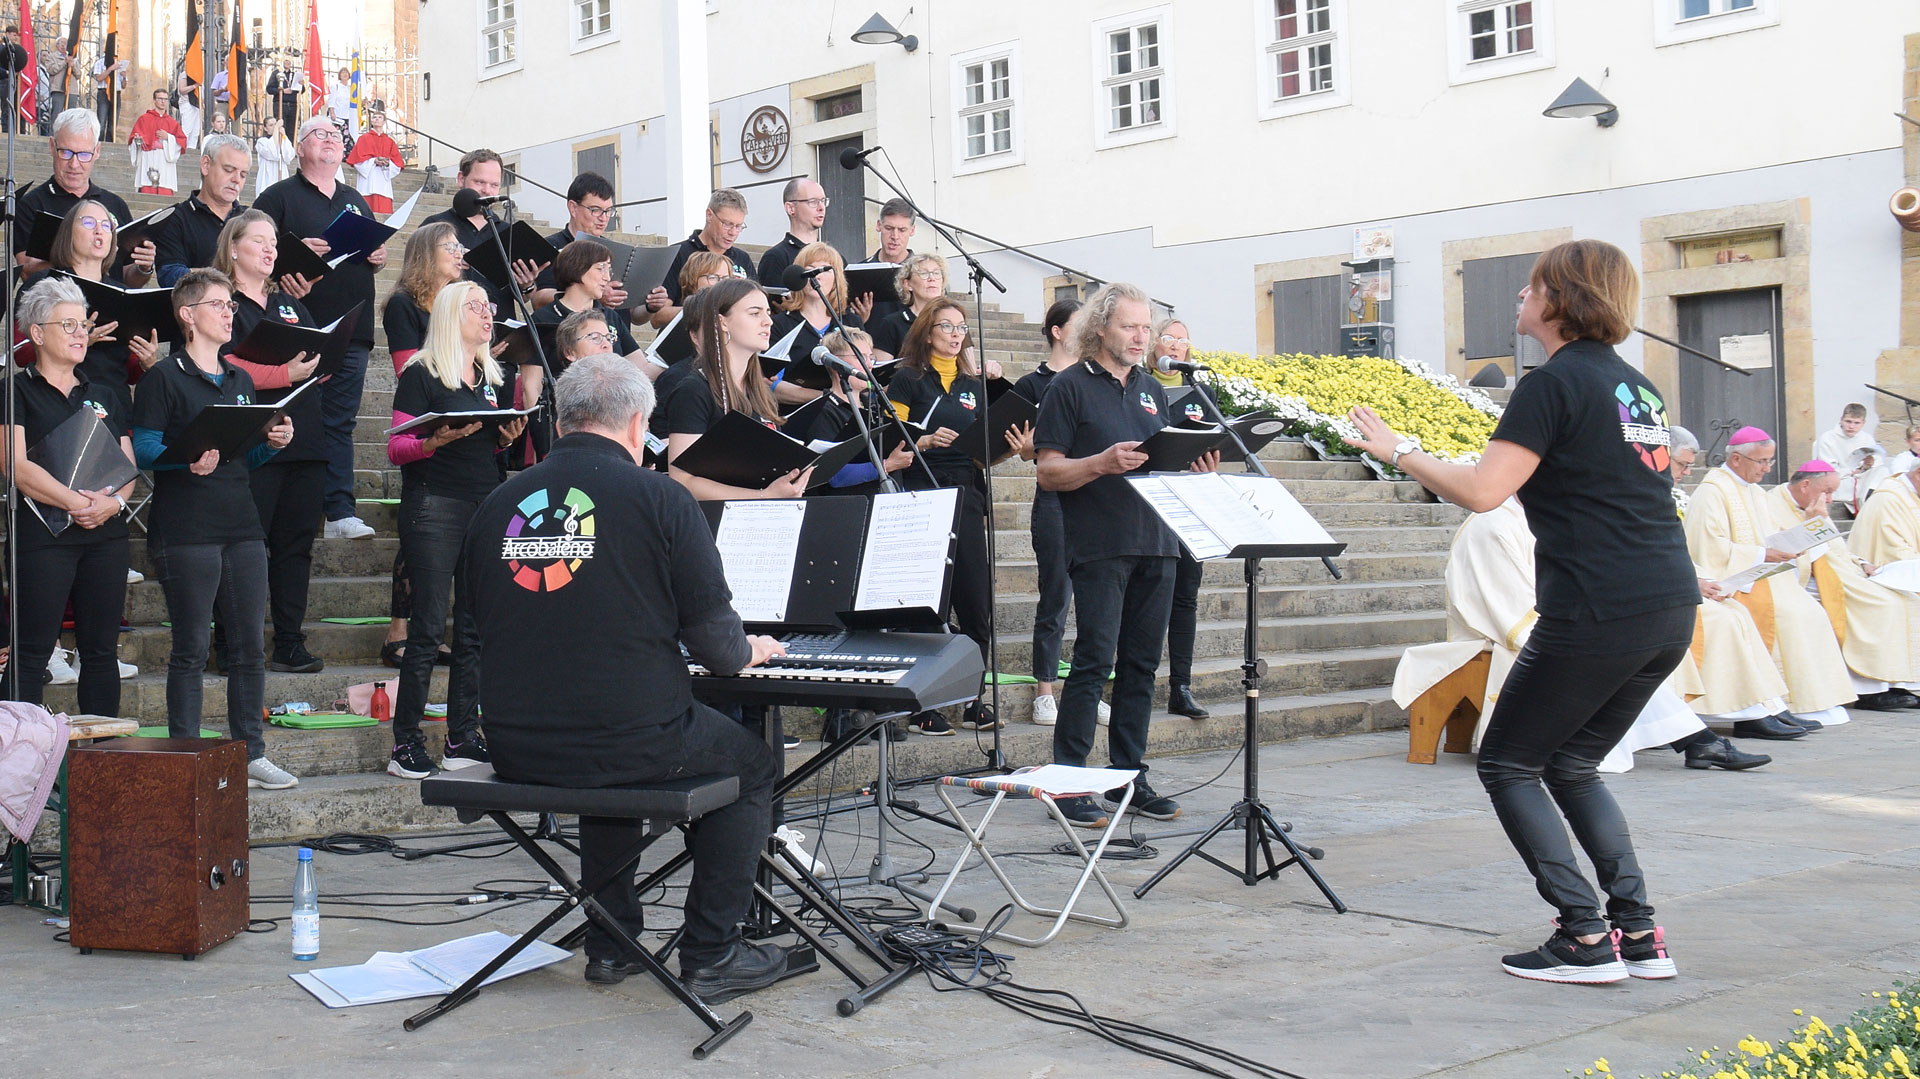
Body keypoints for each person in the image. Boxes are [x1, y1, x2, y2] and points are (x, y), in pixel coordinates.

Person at [1343, 239, 1698, 984]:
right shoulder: (1638, 388)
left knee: (1508, 760)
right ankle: (1638, 933)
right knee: (1571, 760)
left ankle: (1582, 935)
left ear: (1560, 298)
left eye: (1530, 287)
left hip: (1597, 605)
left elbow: (1482, 490)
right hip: (1667, 601)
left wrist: (1397, 448)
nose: (1519, 299)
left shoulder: (1551, 383)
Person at [464, 353, 791, 1002]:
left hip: (514, 741)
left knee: (609, 756)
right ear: (639, 423)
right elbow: (721, 652)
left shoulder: (498, 502)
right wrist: (752, 647)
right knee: (752, 764)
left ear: (558, 419)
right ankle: (712, 952)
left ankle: (612, 944)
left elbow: (479, 627)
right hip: (631, 736)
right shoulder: (660, 496)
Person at [1388, 497, 1763, 773]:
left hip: (1554, 623)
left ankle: (1698, 742)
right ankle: (1699, 743)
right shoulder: (1493, 526)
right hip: (1501, 637)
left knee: (1629, 649)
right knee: (1609, 660)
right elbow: (1506, 603)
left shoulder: (1536, 515)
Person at [1034, 284, 1217, 826]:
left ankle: (1128, 776)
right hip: (1099, 544)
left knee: (1142, 664)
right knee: (1094, 660)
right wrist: (1100, 463)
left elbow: (1156, 462)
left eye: (1147, 328)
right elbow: (1047, 471)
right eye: (1130, 327)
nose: (1142, 338)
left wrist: (1192, 468)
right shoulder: (1068, 387)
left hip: (1157, 540)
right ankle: (1068, 781)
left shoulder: (1152, 391)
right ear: (1100, 330)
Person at [131, 268, 298, 791]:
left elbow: (241, 457)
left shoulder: (241, 380)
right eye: (218, 304)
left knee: (249, 644)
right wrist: (186, 462)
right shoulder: (163, 376)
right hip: (186, 528)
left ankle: (250, 751)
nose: (229, 312)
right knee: (190, 647)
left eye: (231, 305)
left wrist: (269, 444)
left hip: (240, 522)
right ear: (188, 314)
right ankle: (187, 753)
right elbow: (144, 448)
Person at [383, 280, 525, 780]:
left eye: (489, 308)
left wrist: (505, 438)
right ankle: (406, 743)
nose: (487, 316)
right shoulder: (422, 372)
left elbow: (485, 445)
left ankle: (463, 735)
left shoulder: (492, 375)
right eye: (475, 308)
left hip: (484, 501)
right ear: (449, 314)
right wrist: (434, 440)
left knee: (472, 629)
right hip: (434, 503)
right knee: (426, 628)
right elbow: (397, 448)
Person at [2, 278, 138, 715]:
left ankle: (99, 764)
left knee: (101, 652)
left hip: (106, 538)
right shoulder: (14, 391)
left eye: (83, 324)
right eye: (69, 324)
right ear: (37, 333)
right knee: (31, 649)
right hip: (43, 539)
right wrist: (80, 504)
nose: (81, 333)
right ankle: (20, 760)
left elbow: (126, 467)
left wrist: (111, 504)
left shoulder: (105, 393)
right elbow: (16, 467)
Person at [886, 300, 1019, 736]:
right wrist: (923, 440)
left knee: (975, 602)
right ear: (927, 332)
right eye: (947, 325)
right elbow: (892, 441)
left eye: (962, 327)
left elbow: (984, 448)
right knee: (930, 603)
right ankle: (925, 705)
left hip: (967, 492)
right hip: (922, 493)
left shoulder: (974, 385)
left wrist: (1004, 449)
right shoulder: (907, 379)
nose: (956, 333)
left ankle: (972, 699)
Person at [254, 114, 389, 541]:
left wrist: (378, 255)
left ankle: (338, 512)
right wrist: (290, 254)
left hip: (353, 326)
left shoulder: (355, 198)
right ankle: (291, 511)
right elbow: (251, 251)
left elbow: (374, 248)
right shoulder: (277, 197)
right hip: (296, 326)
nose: (330, 139)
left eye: (336, 134)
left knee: (340, 421)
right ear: (300, 147)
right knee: (293, 416)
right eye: (320, 134)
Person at [212, 210, 329, 675]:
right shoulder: (222, 304)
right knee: (242, 546)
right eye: (259, 241)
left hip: (305, 438)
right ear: (234, 247)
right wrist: (283, 373)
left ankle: (289, 641)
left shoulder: (289, 305)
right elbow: (222, 364)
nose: (269, 250)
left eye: (274, 243)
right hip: (251, 443)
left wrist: (324, 358)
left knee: (295, 547)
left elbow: (318, 356)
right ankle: (230, 644)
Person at [1684, 426, 1854, 729]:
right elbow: (1706, 547)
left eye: (1770, 462)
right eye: (1761, 462)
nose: (1766, 469)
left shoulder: (1754, 492)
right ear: (1736, 459)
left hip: (1758, 576)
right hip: (1731, 581)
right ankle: (1768, 704)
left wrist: (1801, 535)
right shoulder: (1712, 491)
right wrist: (1762, 555)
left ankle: (1793, 703)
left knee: (1811, 611)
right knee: (1792, 615)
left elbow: (1769, 537)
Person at [1010, 300, 1110, 728]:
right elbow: (1025, 447)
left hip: (1095, 495)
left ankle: (1090, 689)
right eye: (1077, 324)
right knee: (1056, 594)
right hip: (1054, 496)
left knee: (1099, 602)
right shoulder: (1033, 384)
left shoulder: (1093, 380)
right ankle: (1045, 690)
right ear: (1056, 331)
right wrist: (1033, 447)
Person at [376, 221, 467, 668]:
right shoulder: (402, 305)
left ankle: (432, 630)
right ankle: (398, 629)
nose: (459, 252)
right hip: (424, 420)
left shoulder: (458, 303)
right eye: (450, 246)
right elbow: (405, 368)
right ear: (426, 254)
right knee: (419, 536)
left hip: (460, 422)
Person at [660, 278, 812, 502]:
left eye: (768, 312)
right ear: (722, 322)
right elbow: (682, 480)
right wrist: (762, 495)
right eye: (754, 313)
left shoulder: (759, 390)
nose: (768, 321)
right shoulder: (694, 390)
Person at [21, 200, 164, 414]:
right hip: (57, 401)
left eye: (106, 226)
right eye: (88, 223)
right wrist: (79, 340)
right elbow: (21, 352)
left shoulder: (123, 293)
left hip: (115, 406)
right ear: (68, 232)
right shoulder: (45, 284)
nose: (99, 230)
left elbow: (130, 371)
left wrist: (147, 360)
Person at [522, 240, 642, 456]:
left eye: (609, 269)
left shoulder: (611, 317)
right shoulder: (542, 319)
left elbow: (639, 368)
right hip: (564, 423)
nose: (608, 276)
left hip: (612, 421)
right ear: (577, 268)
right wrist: (542, 438)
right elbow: (531, 386)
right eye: (600, 268)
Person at [17, 109, 154, 284]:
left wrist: (144, 268)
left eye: (84, 155)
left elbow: (128, 278)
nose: (74, 164)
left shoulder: (115, 205)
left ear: (97, 151)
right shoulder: (31, 205)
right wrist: (80, 254)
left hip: (109, 306)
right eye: (65, 152)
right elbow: (26, 271)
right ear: (52, 146)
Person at [1150, 316, 1209, 719]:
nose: (1174, 346)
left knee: (1185, 598)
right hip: (1150, 502)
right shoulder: (1137, 386)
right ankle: (1134, 677)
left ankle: (1181, 687)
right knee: (1147, 597)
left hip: (1191, 501)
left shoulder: (1200, 392)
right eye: (1167, 338)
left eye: (1181, 341)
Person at [420, 148, 542, 311]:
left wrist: (526, 284)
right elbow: (417, 279)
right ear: (461, 179)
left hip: (499, 328)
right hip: (451, 321)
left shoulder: (509, 233)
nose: (487, 190)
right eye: (479, 182)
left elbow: (525, 297)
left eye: (494, 185)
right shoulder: (435, 225)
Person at [646, 188, 754, 329]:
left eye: (739, 226)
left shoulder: (742, 258)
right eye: (727, 224)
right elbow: (657, 317)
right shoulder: (678, 253)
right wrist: (704, 309)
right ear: (709, 215)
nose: (733, 232)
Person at [154, 132, 250, 287]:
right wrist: (226, 276)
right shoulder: (175, 218)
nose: (236, 179)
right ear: (206, 165)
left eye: (243, 174)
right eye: (228, 169)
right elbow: (170, 276)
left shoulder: (251, 220)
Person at [529, 171, 623, 309]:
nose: (603, 218)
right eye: (595, 210)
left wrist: (649, 307)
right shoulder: (550, 246)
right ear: (573, 208)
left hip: (616, 327)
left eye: (608, 210)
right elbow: (539, 299)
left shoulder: (613, 251)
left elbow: (635, 316)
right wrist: (593, 293)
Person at [770, 241, 861, 367]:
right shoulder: (779, 325)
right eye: (810, 270)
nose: (817, 276)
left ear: (836, 279)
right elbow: (771, 380)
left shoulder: (851, 322)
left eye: (825, 269)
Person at [868, 252, 948, 359]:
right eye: (924, 274)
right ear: (908, 284)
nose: (932, 278)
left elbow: (968, 367)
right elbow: (881, 372)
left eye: (937, 273)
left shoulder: (953, 319)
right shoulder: (892, 324)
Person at [755, 177, 829, 290]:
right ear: (790, 208)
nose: (821, 208)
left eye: (823, 201)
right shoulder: (776, 257)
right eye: (813, 202)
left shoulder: (832, 255)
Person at [1811, 402, 1878, 509]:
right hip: (1840, 480)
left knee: (1882, 473)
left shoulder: (1867, 439)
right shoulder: (1828, 438)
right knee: (1856, 488)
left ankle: (1870, 502)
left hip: (1862, 478)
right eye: (1848, 421)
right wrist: (1850, 472)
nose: (1851, 426)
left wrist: (1869, 465)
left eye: (1857, 423)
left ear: (1863, 423)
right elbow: (1827, 469)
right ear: (1841, 419)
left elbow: (1876, 464)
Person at [865, 198, 917, 327]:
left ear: (912, 230)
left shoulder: (924, 273)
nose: (895, 236)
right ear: (879, 226)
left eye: (902, 230)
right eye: (889, 228)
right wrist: (858, 319)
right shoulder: (861, 270)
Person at [127, 88, 187, 195]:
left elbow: (181, 142)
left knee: (165, 191)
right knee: (147, 189)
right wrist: (137, 140)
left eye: (165, 99)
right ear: (154, 100)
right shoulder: (144, 119)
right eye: (160, 98)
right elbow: (134, 140)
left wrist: (168, 137)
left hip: (164, 160)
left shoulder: (172, 123)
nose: (163, 102)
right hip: (148, 158)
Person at [345, 106, 401, 214]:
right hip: (368, 177)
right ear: (371, 120)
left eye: (380, 117)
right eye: (374, 117)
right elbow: (357, 160)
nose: (376, 119)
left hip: (383, 177)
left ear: (384, 121)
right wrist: (373, 161)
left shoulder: (390, 141)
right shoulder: (363, 139)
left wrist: (387, 163)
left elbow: (397, 163)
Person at [254, 115, 295, 196]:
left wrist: (284, 136)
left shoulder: (283, 140)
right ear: (265, 128)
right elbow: (273, 153)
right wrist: (276, 129)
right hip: (268, 177)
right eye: (271, 125)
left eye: (275, 124)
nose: (274, 127)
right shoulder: (262, 142)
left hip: (281, 174)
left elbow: (289, 156)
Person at [90, 51, 126, 140]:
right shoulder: (100, 62)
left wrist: (124, 77)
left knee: (113, 123)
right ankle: (99, 142)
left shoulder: (120, 64)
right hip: (104, 92)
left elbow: (124, 85)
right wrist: (110, 69)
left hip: (116, 93)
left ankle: (110, 143)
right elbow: (98, 78)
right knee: (101, 122)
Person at [0, 25, 28, 134]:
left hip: (13, 81)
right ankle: (6, 131)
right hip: (3, 81)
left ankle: (16, 130)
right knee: (6, 107)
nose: (16, 38)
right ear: (7, 34)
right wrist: (7, 72)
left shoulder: (15, 50)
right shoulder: (2, 48)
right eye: (14, 35)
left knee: (13, 106)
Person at [176, 70, 201, 150]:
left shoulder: (199, 75)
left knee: (195, 131)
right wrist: (195, 86)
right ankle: (181, 149)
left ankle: (191, 149)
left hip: (197, 105)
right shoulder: (184, 74)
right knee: (187, 129)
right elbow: (182, 90)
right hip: (187, 103)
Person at [326, 67, 355, 138]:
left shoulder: (351, 88)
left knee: (348, 138)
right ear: (339, 75)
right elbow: (331, 101)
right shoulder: (335, 87)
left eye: (346, 72)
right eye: (343, 72)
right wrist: (332, 113)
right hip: (338, 116)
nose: (345, 74)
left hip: (348, 116)